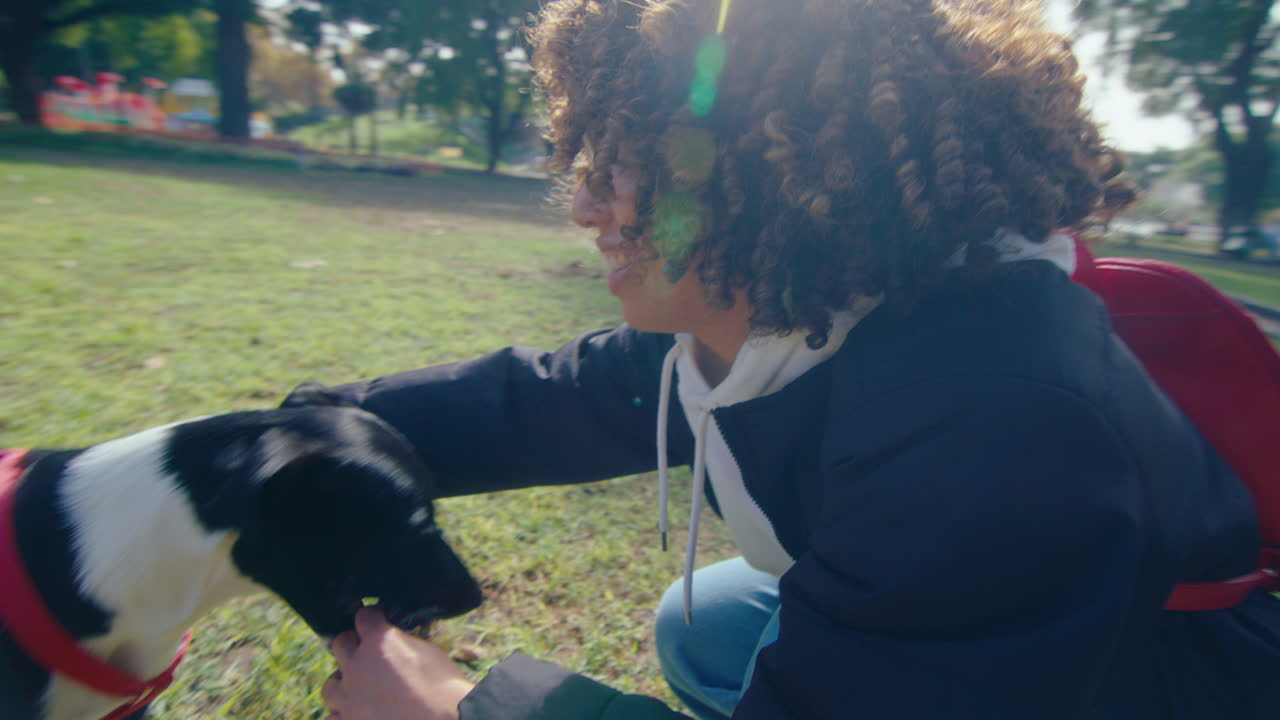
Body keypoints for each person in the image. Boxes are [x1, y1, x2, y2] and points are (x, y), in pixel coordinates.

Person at [310, 0, 1280, 718]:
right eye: (582, 159)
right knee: (703, 620)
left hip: (1185, 677)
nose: (582, 206)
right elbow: (540, 399)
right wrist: (300, 430)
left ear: (758, 174)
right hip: (1025, 615)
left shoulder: (994, 413)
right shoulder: (783, 305)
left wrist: (463, 707)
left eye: (619, 164)